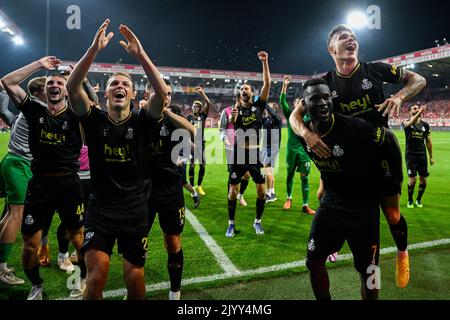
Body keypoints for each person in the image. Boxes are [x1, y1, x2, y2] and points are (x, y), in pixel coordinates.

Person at [290, 24, 426, 288]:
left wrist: (398, 96)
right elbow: (296, 116)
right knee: (324, 199)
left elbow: (418, 79)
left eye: (353, 37)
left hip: (380, 156)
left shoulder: (376, 70)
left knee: (393, 216)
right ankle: (333, 244)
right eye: (343, 37)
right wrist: (307, 135)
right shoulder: (325, 83)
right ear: (332, 49)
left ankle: (402, 252)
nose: (351, 39)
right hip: (344, 160)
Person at [67, 19, 169, 300]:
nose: (119, 86)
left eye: (125, 83)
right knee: (96, 277)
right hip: (100, 211)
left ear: (133, 94)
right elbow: (72, 88)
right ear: (106, 92)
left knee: (134, 277)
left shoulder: (144, 120)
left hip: (135, 211)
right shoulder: (93, 119)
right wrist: (92, 51)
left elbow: (162, 93)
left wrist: (140, 54)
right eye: (114, 83)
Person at [299, 78, 402, 300]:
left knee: (370, 271)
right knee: (313, 260)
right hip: (331, 205)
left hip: (363, 209)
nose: (323, 103)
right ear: (303, 104)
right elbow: (294, 121)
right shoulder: (303, 132)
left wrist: (395, 183)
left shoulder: (354, 127)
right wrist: (323, 183)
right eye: (315, 99)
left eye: (327, 97)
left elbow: (390, 138)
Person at [1, 57, 86, 300]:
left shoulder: (77, 114)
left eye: (60, 82)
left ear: (67, 90)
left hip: (69, 184)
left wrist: (79, 76)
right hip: (39, 184)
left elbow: (88, 98)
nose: (55, 85)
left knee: (78, 239)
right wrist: (39, 64)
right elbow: (8, 81)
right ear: (45, 90)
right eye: (50, 83)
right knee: (30, 244)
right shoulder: (34, 109)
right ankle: (36, 285)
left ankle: (82, 278)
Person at [143, 90, 195, 300]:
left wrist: (164, 110)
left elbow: (192, 132)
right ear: (148, 93)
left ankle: (175, 290)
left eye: (169, 93)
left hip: (170, 191)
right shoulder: (139, 117)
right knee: (137, 241)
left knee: (172, 240)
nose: (166, 95)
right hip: (143, 191)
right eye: (160, 92)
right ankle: (134, 284)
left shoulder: (172, 119)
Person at [0, 77, 45, 285]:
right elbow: (7, 81)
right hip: (20, 163)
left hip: (14, 161)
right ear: (37, 93)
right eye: (48, 87)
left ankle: (0, 264)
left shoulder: (34, 106)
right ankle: (1, 270)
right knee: (16, 216)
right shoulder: (36, 105)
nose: (53, 90)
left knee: (10, 214)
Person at [226, 51, 271, 238]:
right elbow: (231, 122)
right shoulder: (235, 110)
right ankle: (231, 224)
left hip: (254, 155)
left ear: (252, 93)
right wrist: (232, 118)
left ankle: (257, 222)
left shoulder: (258, 107)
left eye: (247, 89)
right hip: (238, 155)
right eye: (241, 89)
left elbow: (267, 83)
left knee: (261, 192)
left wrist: (265, 62)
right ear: (240, 94)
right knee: (232, 192)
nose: (244, 90)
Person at [279, 76, 315, 214]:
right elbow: (282, 101)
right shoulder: (290, 115)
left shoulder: (309, 117)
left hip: (305, 151)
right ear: (295, 105)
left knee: (304, 177)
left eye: (302, 102)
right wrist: (284, 85)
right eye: (297, 102)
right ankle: (289, 198)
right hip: (291, 150)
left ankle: (305, 205)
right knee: (290, 175)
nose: (300, 104)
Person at [219, 95, 250, 207]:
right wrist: (224, 138)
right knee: (233, 174)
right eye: (240, 100)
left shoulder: (248, 112)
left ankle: (240, 195)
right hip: (231, 147)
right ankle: (230, 197)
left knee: (247, 174)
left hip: (246, 147)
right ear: (237, 100)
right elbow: (222, 129)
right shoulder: (226, 111)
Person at [402, 104, 434, 208]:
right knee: (412, 180)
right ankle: (410, 200)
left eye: (417, 108)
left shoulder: (425, 125)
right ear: (410, 112)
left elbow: (428, 142)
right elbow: (409, 123)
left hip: (422, 156)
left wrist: (431, 157)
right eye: (414, 108)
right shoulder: (406, 122)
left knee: (423, 179)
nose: (416, 109)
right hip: (410, 155)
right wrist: (420, 111)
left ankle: (419, 200)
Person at [187, 86, 212, 196]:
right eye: (194, 106)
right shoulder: (188, 118)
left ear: (200, 108)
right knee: (192, 166)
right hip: (191, 145)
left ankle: (199, 186)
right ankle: (192, 187)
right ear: (192, 107)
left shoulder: (203, 116)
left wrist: (202, 93)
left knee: (202, 165)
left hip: (201, 145)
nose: (195, 108)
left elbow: (208, 102)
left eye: (197, 106)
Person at [261, 102, 282, 203]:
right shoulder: (266, 120)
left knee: (266, 169)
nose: (267, 109)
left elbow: (271, 112)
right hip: (266, 147)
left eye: (270, 107)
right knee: (269, 170)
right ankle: (272, 193)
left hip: (272, 147)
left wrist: (264, 103)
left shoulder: (277, 119)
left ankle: (268, 194)